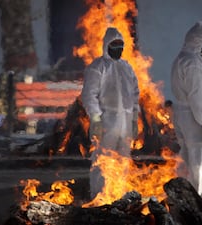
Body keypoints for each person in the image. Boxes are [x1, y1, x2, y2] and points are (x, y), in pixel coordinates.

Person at [81, 27, 140, 199]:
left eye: (121, 44)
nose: (118, 48)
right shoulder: (98, 67)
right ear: (106, 45)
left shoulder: (127, 67)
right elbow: (89, 95)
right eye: (114, 44)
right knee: (103, 159)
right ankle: (100, 197)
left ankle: (119, 195)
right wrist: (96, 119)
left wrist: (135, 119)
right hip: (107, 120)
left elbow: (135, 94)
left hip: (126, 121)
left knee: (123, 161)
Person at [171, 21, 202, 203]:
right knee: (201, 165)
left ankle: (187, 203)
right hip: (195, 118)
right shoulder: (192, 62)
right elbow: (198, 96)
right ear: (199, 41)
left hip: (184, 115)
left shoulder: (182, 58)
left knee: (189, 163)